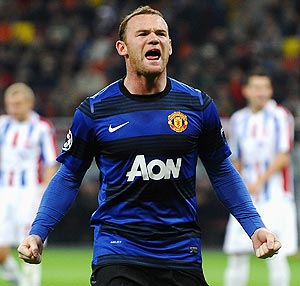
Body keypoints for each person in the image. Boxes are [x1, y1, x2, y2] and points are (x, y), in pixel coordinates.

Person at [18, 6, 281, 286]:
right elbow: (69, 175)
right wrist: (38, 231)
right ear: (123, 48)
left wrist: (255, 227)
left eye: (161, 34)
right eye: (142, 33)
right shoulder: (95, 111)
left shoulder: (197, 105)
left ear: (169, 46)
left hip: (181, 253)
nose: (153, 39)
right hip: (118, 251)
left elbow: (221, 170)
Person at [223, 70, 298, 286]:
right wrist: (240, 185)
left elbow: (283, 156)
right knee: (237, 254)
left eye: (265, 88)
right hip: (246, 197)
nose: (261, 93)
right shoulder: (238, 120)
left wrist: (259, 182)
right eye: (256, 88)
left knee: (276, 253)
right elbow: (235, 158)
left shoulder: (281, 115)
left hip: (275, 196)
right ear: (246, 91)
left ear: (271, 90)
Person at [0, 82, 58, 286]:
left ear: (29, 103)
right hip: (4, 192)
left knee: (31, 244)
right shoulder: (2, 125)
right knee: (1, 251)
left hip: (30, 191)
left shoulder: (41, 127)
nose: (13, 108)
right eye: (10, 104)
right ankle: (18, 282)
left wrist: (44, 193)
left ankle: (31, 284)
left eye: (17, 104)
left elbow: (51, 162)